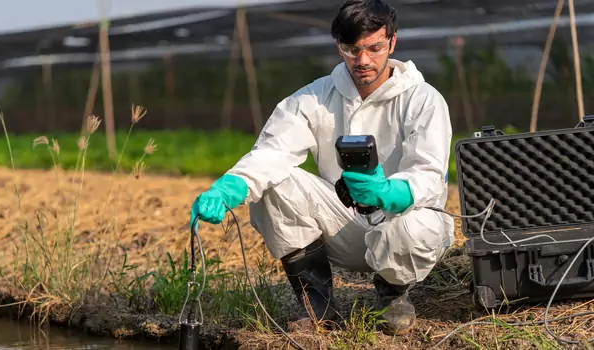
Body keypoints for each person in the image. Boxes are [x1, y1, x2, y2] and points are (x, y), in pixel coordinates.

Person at [189, 0, 454, 336]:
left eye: (375, 48)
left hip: (403, 224)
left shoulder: (423, 100)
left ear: (392, 42)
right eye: (351, 49)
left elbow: (428, 175)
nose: (363, 61)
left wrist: (391, 192)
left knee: (411, 228)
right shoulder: (314, 97)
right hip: (345, 225)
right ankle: (319, 307)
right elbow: (273, 151)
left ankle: (393, 294)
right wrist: (231, 186)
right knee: (275, 183)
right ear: (339, 47)